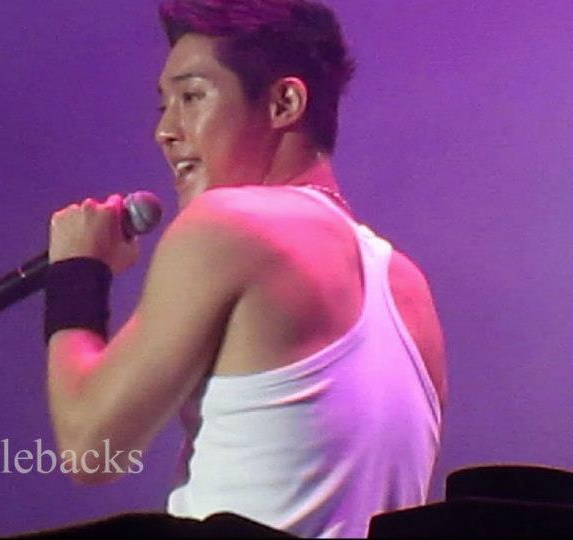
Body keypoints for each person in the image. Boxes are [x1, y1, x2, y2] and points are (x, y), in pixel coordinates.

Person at [42, 0, 446, 537]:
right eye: (163, 105)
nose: (165, 131)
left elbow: (91, 448)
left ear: (284, 102)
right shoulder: (410, 288)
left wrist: (77, 273)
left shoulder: (229, 223)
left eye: (191, 97)